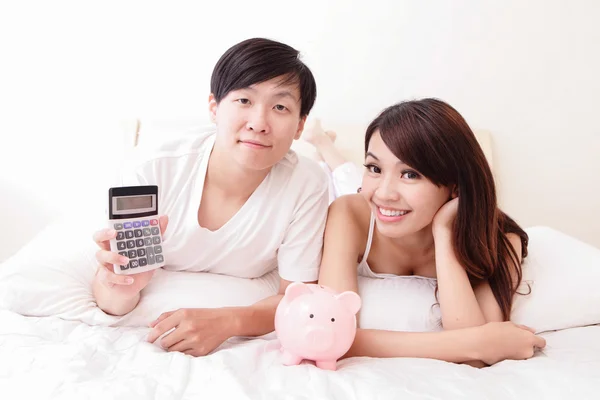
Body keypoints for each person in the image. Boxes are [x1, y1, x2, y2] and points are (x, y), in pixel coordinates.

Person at [91, 38, 329, 357]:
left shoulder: (307, 184)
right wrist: (121, 285)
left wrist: (228, 322)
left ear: (300, 126)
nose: (259, 123)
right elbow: (112, 302)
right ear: (214, 107)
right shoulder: (153, 169)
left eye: (280, 107)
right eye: (244, 100)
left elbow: (298, 297)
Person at [316, 98, 546, 366]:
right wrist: (477, 344)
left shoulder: (499, 238)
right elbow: (330, 332)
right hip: (360, 202)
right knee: (345, 178)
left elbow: (475, 356)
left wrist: (444, 231)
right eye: (374, 168)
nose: (384, 193)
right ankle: (322, 143)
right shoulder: (348, 214)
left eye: (411, 174)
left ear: (456, 187)